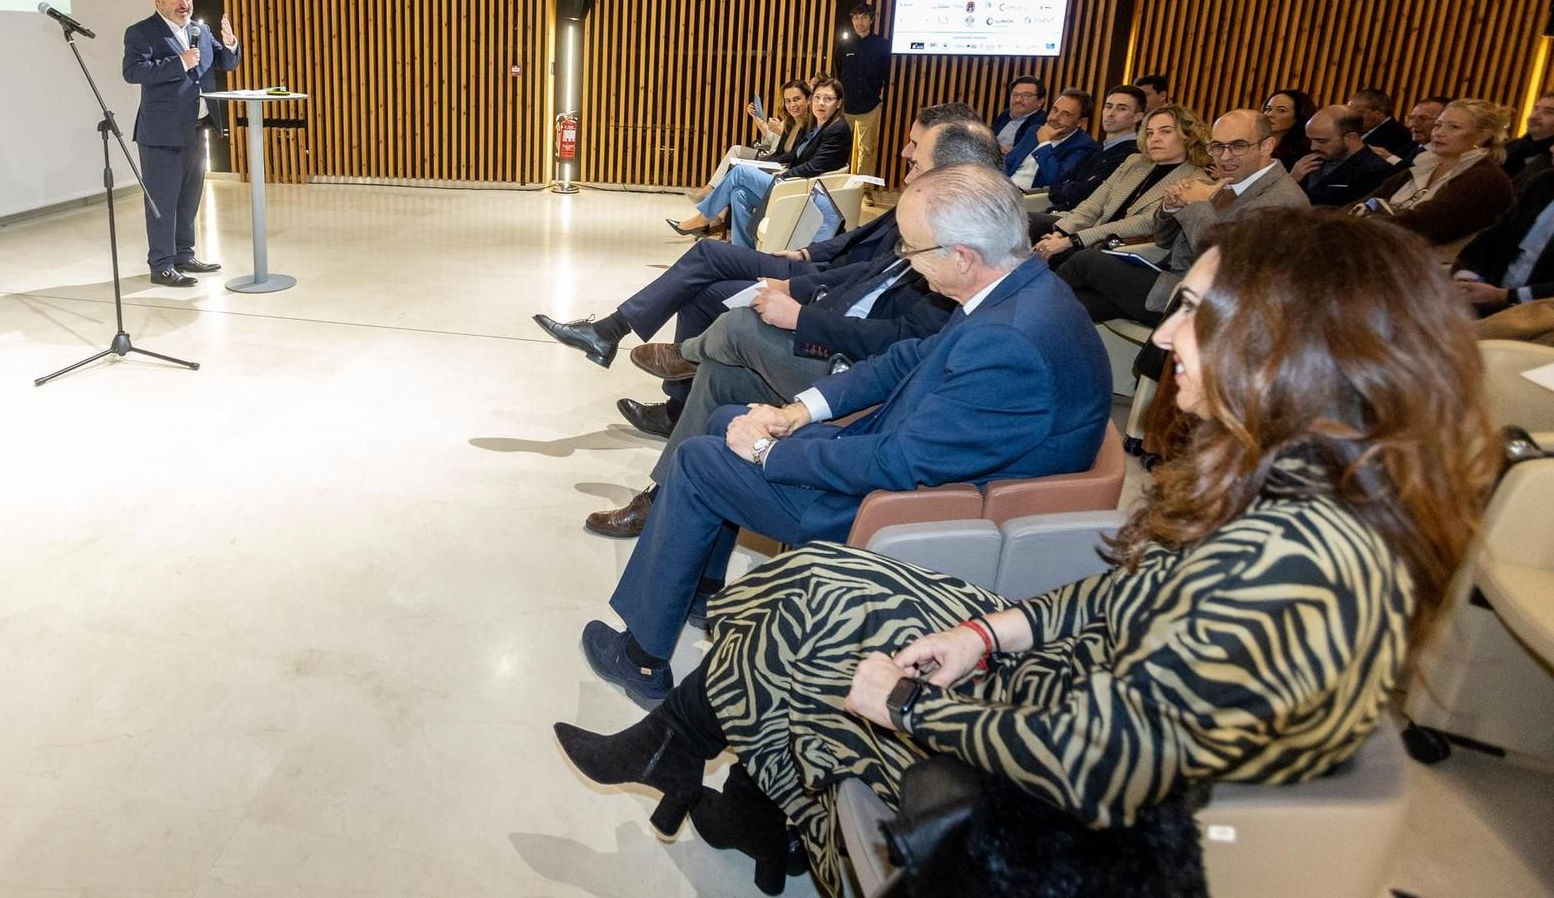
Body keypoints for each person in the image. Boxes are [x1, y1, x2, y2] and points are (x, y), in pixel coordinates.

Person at [553, 210, 1497, 895]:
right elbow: (1130, 600)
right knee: (814, 578)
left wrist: (914, 697)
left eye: (1196, 311)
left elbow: (1093, 766)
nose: (1164, 337)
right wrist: (995, 630)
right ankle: (701, 754)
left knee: (814, 629)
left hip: (1084, 819)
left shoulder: (1295, 561)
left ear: (1293, 347)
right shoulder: (1294, 487)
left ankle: (711, 761)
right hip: (1085, 689)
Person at [576, 164, 1110, 705]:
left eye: (914, 249)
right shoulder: (1015, 294)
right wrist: (799, 413)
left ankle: (642, 659)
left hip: (902, 509)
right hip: (915, 470)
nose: (905, 259)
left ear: (962, 256)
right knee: (722, 420)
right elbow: (906, 360)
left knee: (698, 460)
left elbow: (898, 464)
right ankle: (699, 590)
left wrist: (767, 453)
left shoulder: (1008, 342)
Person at [586, 121, 1001, 536]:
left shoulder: (963, 251)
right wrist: (803, 282)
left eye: (916, 148)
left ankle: (686, 355)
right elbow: (863, 266)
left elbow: (903, 347)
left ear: (954, 170)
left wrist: (802, 317)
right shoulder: (928, 220)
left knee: (738, 326)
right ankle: (663, 497)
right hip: (831, 312)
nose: (905, 155)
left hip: (853, 367)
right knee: (723, 369)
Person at [532, 104, 982, 382]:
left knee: (710, 255)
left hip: (825, 289)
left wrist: (801, 286)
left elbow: (868, 276)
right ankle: (649, 377)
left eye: (913, 145)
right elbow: (860, 239)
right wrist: (805, 252)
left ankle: (610, 334)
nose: (904, 154)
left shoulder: (949, 220)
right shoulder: (921, 194)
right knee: (709, 257)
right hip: (817, 268)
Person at [1059, 109, 1306, 324]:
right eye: (1217, 147)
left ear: (1266, 146)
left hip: (1209, 304)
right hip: (1171, 280)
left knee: (1086, 261)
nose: (1225, 157)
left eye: (1238, 146)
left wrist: (1198, 204)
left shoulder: (1283, 201)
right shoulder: (1234, 181)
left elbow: (1224, 264)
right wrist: (1171, 208)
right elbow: (1166, 240)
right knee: (1076, 305)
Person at [122, 0, 242, 286]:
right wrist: (180, 62)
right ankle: (161, 264)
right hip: (160, 133)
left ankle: (183, 255)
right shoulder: (141, 32)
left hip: (196, 127)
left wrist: (230, 44)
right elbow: (133, 72)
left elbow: (225, 63)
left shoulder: (199, 30)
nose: (183, 4)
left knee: (189, 197)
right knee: (163, 201)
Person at [671, 80, 852, 245]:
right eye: (818, 98)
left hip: (800, 192)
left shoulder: (837, 129)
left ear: (838, 103)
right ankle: (743, 252)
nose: (820, 103)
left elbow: (814, 167)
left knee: (740, 172)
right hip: (794, 185)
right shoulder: (821, 126)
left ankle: (703, 219)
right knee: (738, 193)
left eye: (828, 99)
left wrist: (782, 174)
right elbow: (794, 157)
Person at [1031, 104, 1206, 267]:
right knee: (1029, 223)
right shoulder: (1135, 162)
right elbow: (1093, 204)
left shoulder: (1195, 180)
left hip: (1123, 248)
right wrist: (1059, 234)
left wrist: (1071, 241)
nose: (1155, 139)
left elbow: (1142, 224)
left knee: (1062, 258)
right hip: (1092, 233)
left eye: (1165, 132)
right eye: (1150, 133)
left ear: (1188, 137)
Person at [1352, 98, 1514, 245]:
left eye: (1454, 127)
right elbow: (1366, 200)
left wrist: (1359, 227)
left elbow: (1424, 225)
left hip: (1432, 265)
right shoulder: (1425, 165)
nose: (1439, 132)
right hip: (1382, 247)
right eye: (1438, 125)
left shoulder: (1486, 178)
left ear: (1482, 137)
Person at [1453, 167, 1554, 312]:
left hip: (1537, 316)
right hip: (1488, 297)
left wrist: (1506, 296)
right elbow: (1494, 235)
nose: (1551, 149)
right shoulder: (1544, 182)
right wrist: (1467, 278)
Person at [695, 79, 809, 200]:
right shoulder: (790, 122)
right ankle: (714, 210)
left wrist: (778, 135)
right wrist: (755, 116)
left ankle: (709, 203)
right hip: (773, 159)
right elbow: (773, 142)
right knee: (737, 191)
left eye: (797, 99)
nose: (792, 105)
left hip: (784, 172)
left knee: (738, 172)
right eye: (788, 101)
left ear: (809, 99)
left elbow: (793, 154)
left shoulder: (810, 127)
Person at [1044, 85, 1143, 211]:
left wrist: (1069, 187)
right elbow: (1055, 185)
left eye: (1121, 108)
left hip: (1083, 223)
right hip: (1060, 214)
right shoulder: (1099, 148)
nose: (1111, 113)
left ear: (1137, 117)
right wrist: (1070, 188)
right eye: (1108, 106)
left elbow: (1089, 194)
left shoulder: (1132, 154)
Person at [1291, 104, 1395, 206]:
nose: (1313, 147)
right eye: (1310, 140)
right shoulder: (1311, 159)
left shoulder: (1377, 171)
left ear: (1351, 137)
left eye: (1322, 141)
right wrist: (1291, 180)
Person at [1002, 88, 1097, 192]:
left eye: (1066, 114)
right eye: (1055, 110)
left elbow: (1056, 180)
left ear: (1081, 122)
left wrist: (1044, 143)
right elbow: (1008, 163)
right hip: (1005, 189)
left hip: (1032, 199)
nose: (1055, 117)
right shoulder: (1035, 131)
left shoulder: (1084, 146)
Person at [838, 5, 892, 178]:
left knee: (867, 149)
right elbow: (839, 72)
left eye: (863, 17)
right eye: (855, 18)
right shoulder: (844, 44)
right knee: (839, 147)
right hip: (846, 105)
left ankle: (863, 189)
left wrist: (877, 94)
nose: (859, 22)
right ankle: (837, 185)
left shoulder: (881, 45)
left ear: (871, 19)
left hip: (870, 105)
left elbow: (885, 72)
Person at [1345, 87, 1416, 161]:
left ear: (1379, 112)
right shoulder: (1351, 130)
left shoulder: (1400, 136)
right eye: (1350, 112)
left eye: (1359, 112)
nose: (1352, 116)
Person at [1502, 91, 1554, 183]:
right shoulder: (1508, 146)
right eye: (1535, 109)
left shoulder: (1551, 159)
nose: (1534, 116)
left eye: (1548, 112)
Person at [990, 76, 1046, 156]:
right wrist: (998, 148)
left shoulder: (1040, 123)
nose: (1018, 100)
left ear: (1040, 101)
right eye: (1015, 95)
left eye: (1026, 95)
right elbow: (988, 137)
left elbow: (1019, 153)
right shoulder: (1005, 114)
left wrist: (996, 148)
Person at [1262, 87, 1317, 169]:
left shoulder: (1303, 155)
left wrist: (1292, 176)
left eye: (1281, 110)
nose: (1270, 114)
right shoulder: (1254, 144)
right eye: (1268, 109)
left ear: (1299, 116)